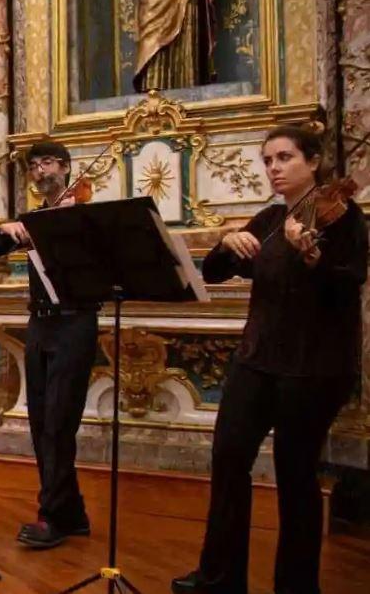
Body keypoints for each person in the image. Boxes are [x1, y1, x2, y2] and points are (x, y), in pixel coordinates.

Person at [173, 125, 365, 594]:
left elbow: (350, 281)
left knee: (295, 474)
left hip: (313, 367)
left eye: (284, 158)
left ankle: (296, 586)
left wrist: (311, 256)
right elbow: (214, 273)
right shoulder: (270, 219)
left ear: (313, 161)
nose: (274, 168)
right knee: (228, 458)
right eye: (267, 161)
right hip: (256, 359)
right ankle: (220, 576)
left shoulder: (343, 217)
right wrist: (227, 242)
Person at [0, 141, 100, 549]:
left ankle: (51, 516)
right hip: (41, 325)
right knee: (42, 423)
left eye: (46, 162)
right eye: (33, 165)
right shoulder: (35, 221)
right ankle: (73, 514)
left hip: (75, 322)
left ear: (65, 167)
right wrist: (7, 230)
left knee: (60, 424)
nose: (39, 170)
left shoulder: (82, 215)